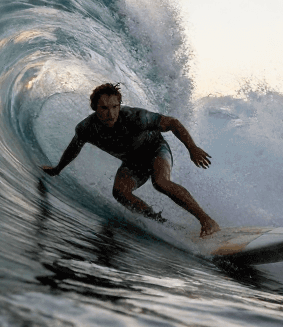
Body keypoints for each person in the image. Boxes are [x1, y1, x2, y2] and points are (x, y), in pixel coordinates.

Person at [42, 83, 221, 237]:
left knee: (160, 182)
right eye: (104, 108)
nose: (110, 114)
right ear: (95, 107)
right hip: (134, 163)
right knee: (120, 192)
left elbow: (172, 122)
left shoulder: (135, 117)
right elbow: (74, 148)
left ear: (120, 105)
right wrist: (58, 169)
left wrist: (192, 148)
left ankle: (207, 221)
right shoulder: (86, 128)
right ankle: (161, 223)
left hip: (156, 150)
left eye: (114, 107)